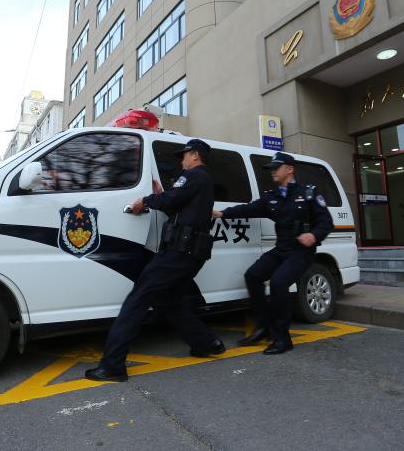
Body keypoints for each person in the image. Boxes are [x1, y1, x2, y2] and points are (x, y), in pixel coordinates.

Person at [85, 139, 226, 382]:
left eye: (184, 156)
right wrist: (163, 195)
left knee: (137, 299)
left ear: (194, 155)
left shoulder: (194, 176)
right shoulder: (202, 182)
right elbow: (179, 207)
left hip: (180, 252)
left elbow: (172, 200)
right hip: (191, 253)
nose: (182, 160)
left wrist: (147, 201)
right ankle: (207, 343)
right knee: (170, 301)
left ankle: (112, 366)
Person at [213, 152, 333, 355]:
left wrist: (313, 236)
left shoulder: (308, 194)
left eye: (276, 168)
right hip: (282, 249)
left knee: (279, 283)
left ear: (289, 169)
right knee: (253, 276)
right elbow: (250, 209)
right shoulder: (273, 197)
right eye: (271, 169)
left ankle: (282, 339)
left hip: (301, 252)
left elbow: (326, 223)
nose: (273, 172)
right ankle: (264, 326)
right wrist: (222, 213)